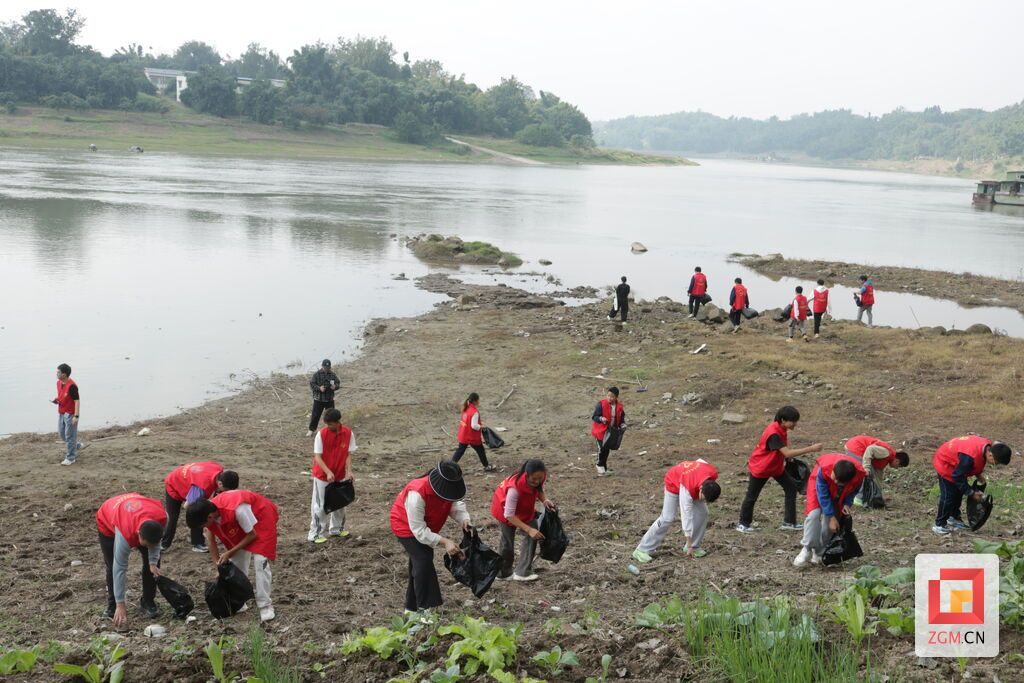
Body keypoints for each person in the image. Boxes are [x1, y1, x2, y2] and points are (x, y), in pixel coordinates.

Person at [390, 460, 472, 612]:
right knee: (423, 561)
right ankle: (424, 608)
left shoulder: (449, 490)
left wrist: (464, 520)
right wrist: (445, 542)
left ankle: (411, 608)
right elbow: (418, 530)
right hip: (405, 526)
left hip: (427, 527)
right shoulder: (417, 492)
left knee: (418, 565)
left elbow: (455, 504)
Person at [187, 490, 280, 622]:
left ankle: (265, 606)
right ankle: (239, 601)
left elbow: (252, 535)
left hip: (261, 517)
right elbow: (211, 541)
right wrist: (218, 567)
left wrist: (229, 552)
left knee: (260, 561)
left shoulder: (238, 510)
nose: (203, 528)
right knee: (235, 563)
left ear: (209, 517)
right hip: (241, 524)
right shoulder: (208, 514)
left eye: (202, 525)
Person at [737, 406, 823, 533]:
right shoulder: (773, 433)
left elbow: (783, 451)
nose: (795, 424)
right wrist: (811, 448)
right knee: (752, 496)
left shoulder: (781, 428)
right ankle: (743, 524)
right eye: (793, 421)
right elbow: (787, 453)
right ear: (783, 420)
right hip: (761, 468)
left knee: (791, 488)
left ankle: (789, 522)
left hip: (775, 467)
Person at [96, 493, 167, 625]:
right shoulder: (125, 533)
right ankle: (113, 606)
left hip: (137, 506)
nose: (149, 547)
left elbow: (156, 544)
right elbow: (119, 568)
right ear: (139, 534)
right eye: (146, 545)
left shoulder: (162, 518)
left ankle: (148, 601)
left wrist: (152, 563)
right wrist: (120, 604)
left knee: (154, 564)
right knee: (112, 565)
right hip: (108, 517)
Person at [633, 459, 721, 563]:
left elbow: (700, 461)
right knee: (667, 518)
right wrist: (688, 542)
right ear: (701, 488)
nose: (702, 500)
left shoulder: (711, 473)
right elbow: (686, 514)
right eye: (703, 497)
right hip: (674, 483)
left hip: (690, 480)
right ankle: (642, 549)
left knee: (703, 513)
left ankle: (695, 546)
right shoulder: (687, 489)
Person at [793, 454, 865, 568]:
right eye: (834, 477)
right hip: (818, 484)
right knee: (813, 514)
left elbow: (853, 490)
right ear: (834, 470)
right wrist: (831, 516)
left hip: (841, 491)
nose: (835, 481)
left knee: (832, 523)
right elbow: (823, 495)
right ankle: (806, 549)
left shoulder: (859, 475)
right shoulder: (824, 469)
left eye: (839, 481)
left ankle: (820, 551)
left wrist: (847, 503)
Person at [932, 436, 1011, 536]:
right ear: (990, 455)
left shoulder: (987, 447)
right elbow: (957, 476)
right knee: (949, 496)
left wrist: (978, 474)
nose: (996, 465)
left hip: (957, 466)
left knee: (958, 492)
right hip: (945, 464)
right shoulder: (969, 457)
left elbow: (973, 463)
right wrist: (971, 493)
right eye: (997, 462)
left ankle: (953, 518)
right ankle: (939, 525)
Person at [491, 459, 556, 581]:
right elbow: (509, 515)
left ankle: (523, 572)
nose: (537, 482)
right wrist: (528, 529)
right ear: (526, 474)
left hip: (523, 509)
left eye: (539, 479)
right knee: (507, 541)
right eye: (534, 479)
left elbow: (539, 490)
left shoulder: (538, 478)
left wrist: (545, 500)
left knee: (534, 532)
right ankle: (503, 573)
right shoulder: (514, 489)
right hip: (504, 511)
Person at [162, 462, 239, 553]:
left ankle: (197, 542)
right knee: (179, 516)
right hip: (174, 484)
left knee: (202, 509)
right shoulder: (202, 487)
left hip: (188, 480)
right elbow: (187, 506)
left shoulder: (220, 472)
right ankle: (163, 544)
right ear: (220, 484)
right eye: (225, 491)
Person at [309, 408, 357, 543]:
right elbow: (317, 456)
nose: (328, 426)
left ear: (337, 422)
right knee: (320, 505)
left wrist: (349, 471)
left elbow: (348, 454)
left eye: (330, 424)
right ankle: (315, 534)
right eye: (327, 424)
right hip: (322, 476)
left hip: (340, 474)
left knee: (340, 502)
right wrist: (328, 471)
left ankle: (337, 529)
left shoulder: (348, 433)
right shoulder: (321, 434)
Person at [843, 435, 909, 507]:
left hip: (856, 448)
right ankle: (858, 499)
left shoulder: (885, 459)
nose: (896, 469)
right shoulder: (886, 453)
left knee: (869, 473)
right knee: (864, 473)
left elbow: (878, 478)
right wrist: (866, 467)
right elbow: (870, 449)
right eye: (899, 466)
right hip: (855, 447)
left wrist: (878, 496)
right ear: (897, 461)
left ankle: (850, 494)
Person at [453, 393, 494, 471]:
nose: (479, 402)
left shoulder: (466, 408)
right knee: (481, 450)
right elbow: (474, 426)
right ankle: (487, 466)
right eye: (478, 400)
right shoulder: (474, 411)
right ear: (475, 401)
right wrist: (481, 426)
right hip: (471, 437)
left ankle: (450, 465)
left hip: (463, 434)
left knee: (459, 451)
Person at [53, 363, 84, 465]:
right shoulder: (58, 383)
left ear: (64, 374)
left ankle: (71, 458)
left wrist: (76, 416)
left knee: (69, 436)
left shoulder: (72, 386)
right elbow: (62, 395)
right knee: (62, 434)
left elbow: (77, 401)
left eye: (59, 372)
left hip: (70, 414)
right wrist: (57, 400)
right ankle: (76, 445)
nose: (56, 373)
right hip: (62, 413)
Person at [591, 387, 626, 476]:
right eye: (608, 395)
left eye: (612, 396)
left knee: (606, 449)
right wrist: (601, 418)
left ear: (616, 397)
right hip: (600, 431)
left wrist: (622, 425)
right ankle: (599, 467)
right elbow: (594, 417)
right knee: (602, 449)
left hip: (611, 432)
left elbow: (621, 419)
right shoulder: (601, 404)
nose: (609, 398)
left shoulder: (619, 407)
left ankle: (604, 469)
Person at [307, 359, 340, 437]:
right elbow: (312, 384)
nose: (326, 369)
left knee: (332, 416)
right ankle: (311, 430)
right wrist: (319, 388)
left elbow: (338, 383)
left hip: (329, 399)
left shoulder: (332, 375)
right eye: (325, 367)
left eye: (328, 367)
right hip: (319, 399)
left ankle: (333, 429)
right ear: (322, 366)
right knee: (315, 415)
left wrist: (335, 387)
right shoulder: (316, 375)